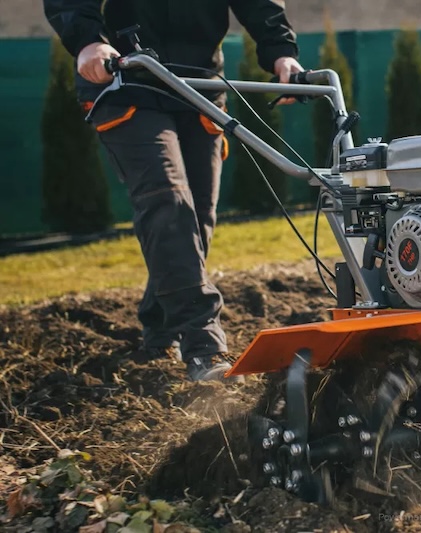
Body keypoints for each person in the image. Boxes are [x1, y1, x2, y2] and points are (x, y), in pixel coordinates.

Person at [43, 0, 304, 383]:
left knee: (197, 218)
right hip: (125, 78)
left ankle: (160, 326)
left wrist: (280, 52)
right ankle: (203, 345)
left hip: (198, 82)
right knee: (167, 202)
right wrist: (88, 40)